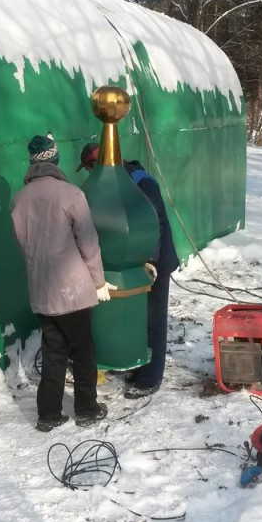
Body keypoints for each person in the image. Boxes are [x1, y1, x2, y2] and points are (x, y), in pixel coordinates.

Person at [12, 135, 112, 432]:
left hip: (41, 292)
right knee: (82, 351)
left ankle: (48, 415)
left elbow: (24, 248)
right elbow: (89, 243)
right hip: (73, 292)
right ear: (55, 161)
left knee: (54, 351)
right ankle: (86, 409)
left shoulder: (19, 200)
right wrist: (99, 281)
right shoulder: (71, 195)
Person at [78, 144, 179, 400]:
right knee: (138, 318)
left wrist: (150, 261)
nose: (90, 173)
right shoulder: (113, 186)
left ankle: (151, 377)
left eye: (91, 167)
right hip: (133, 263)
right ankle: (139, 364)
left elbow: (154, 223)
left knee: (154, 320)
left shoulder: (141, 182)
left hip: (151, 263)